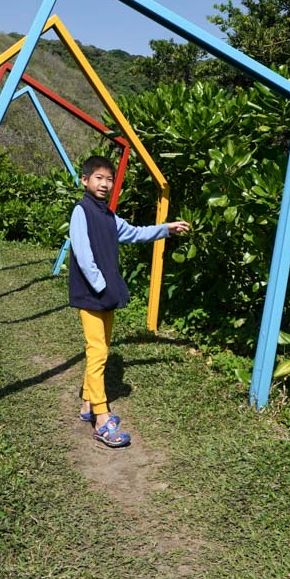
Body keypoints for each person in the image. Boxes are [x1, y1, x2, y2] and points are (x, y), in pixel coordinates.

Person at [68, 154, 189, 448]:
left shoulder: (108, 215)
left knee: (101, 350)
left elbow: (134, 233)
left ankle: (87, 405)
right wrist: (100, 285)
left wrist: (165, 228)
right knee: (97, 351)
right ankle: (101, 418)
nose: (104, 184)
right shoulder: (81, 211)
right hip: (91, 294)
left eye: (109, 179)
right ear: (85, 181)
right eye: (98, 178)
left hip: (105, 294)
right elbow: (83, 256)